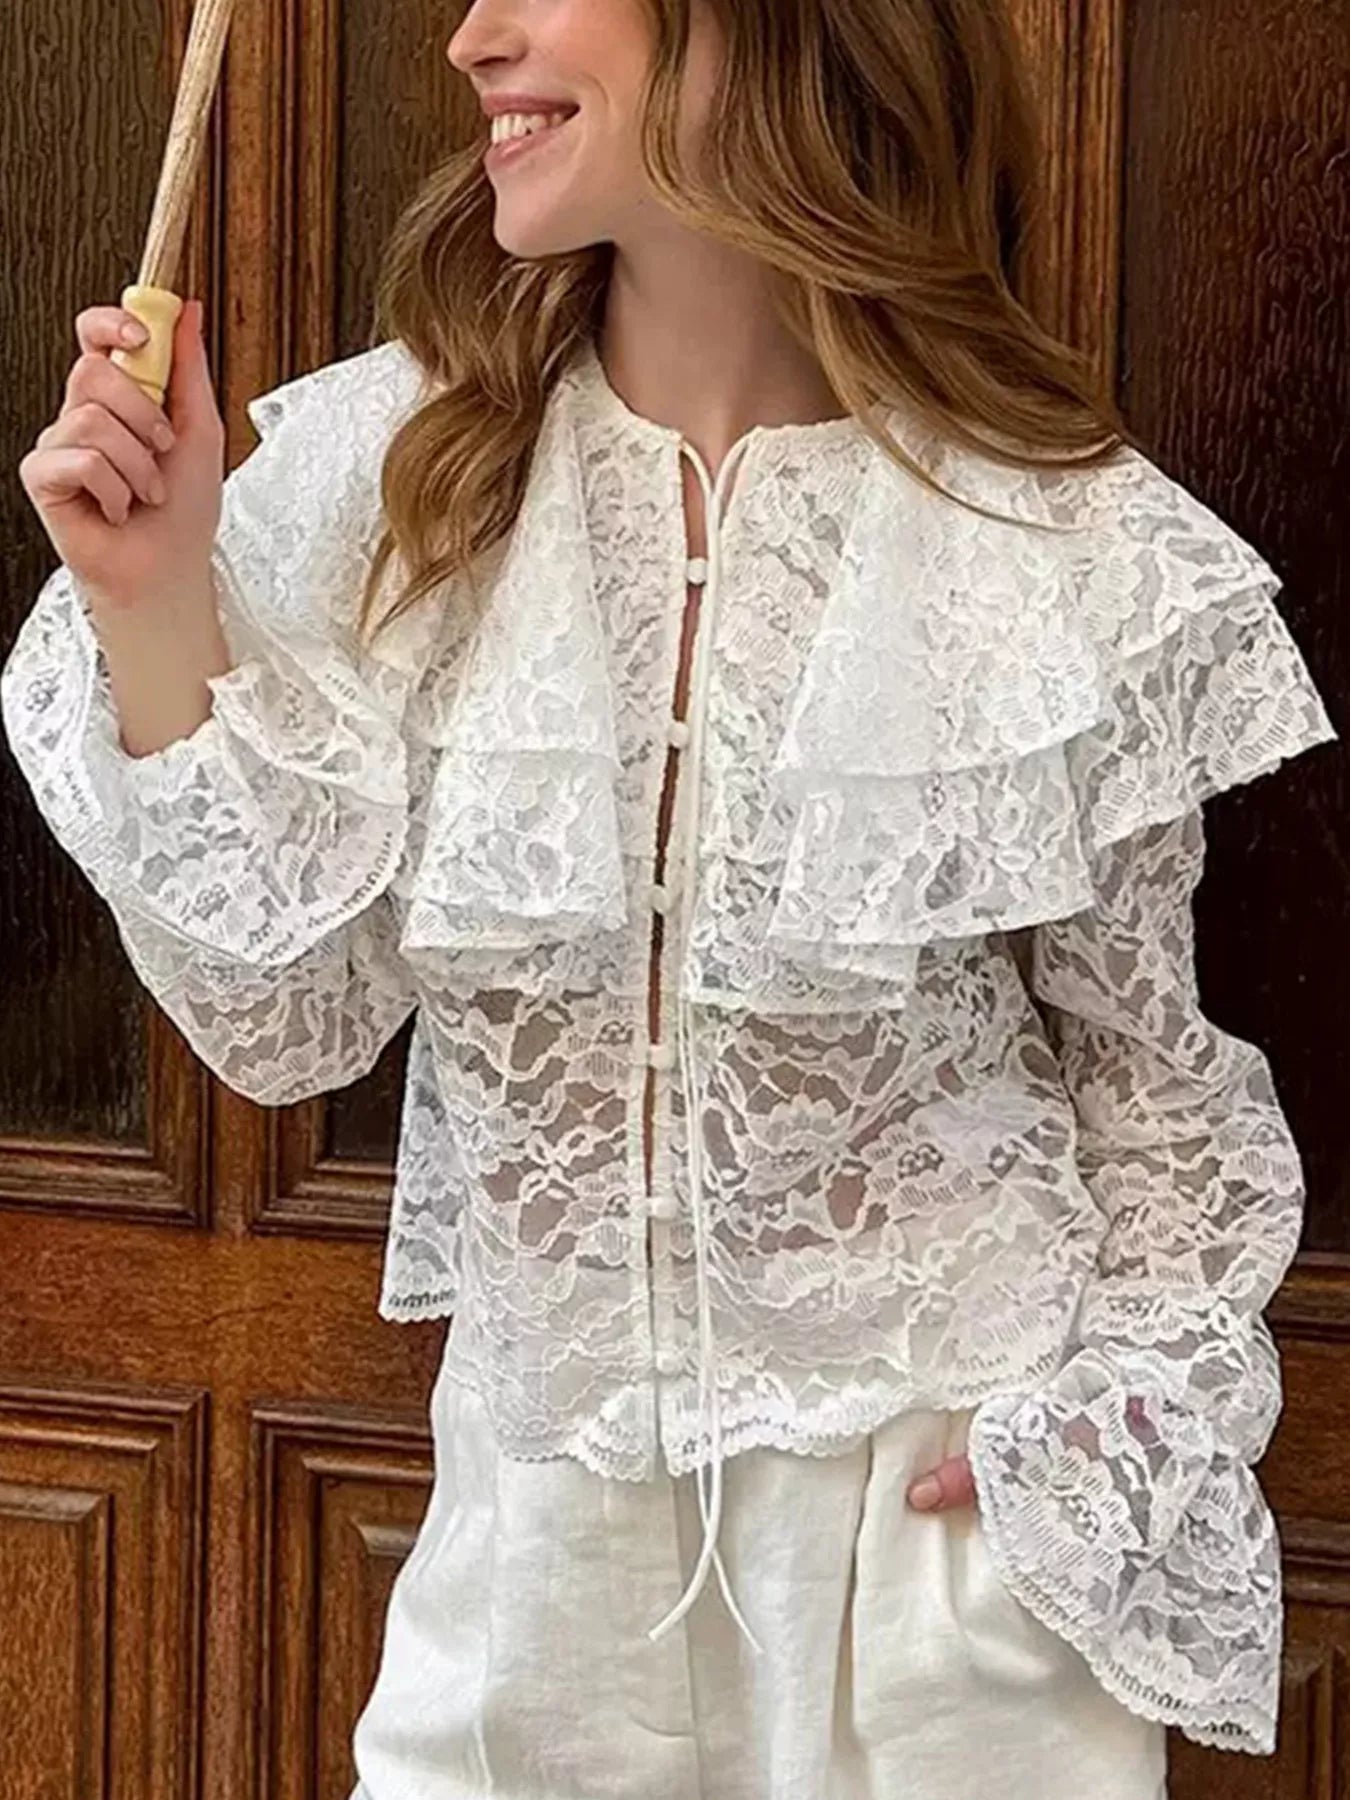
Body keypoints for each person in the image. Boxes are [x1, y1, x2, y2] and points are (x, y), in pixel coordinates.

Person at [3, 1, 1335, 1795]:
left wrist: (1099, 1440)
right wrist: (157, 607)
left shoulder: (1052, 549)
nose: (472, 39)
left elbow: (1147, 1087)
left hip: (929, 1566)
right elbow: (288, 1023)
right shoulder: (395, 488)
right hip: (534, 1543)